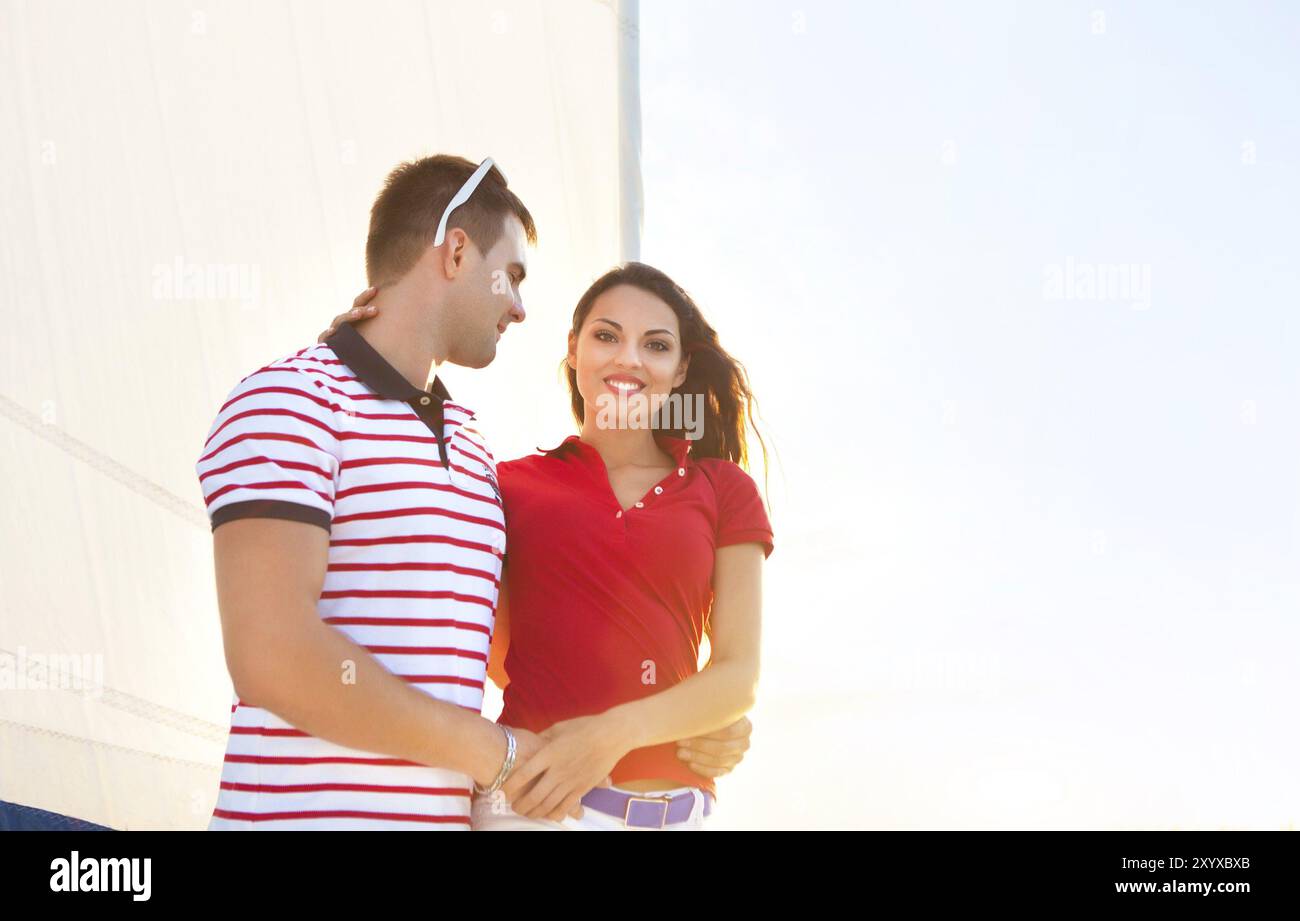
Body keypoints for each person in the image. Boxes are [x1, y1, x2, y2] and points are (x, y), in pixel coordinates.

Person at [199, 153, 749, 830]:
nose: (519, 308)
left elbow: (525, 649)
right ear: (458, 251)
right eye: (511, 277)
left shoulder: (469, 450)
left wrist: (693, 725)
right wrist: (499, 751)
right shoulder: (291, 399)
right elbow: (271, 655)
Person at [320, 262, 772, 830]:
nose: (628, 358)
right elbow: (497, 653)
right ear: (574, 350)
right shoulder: (503, 484)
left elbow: (738, 675)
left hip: (681, 817)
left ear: (680, 369)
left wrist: (624, 731)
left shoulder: (723, 489)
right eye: (607, 336)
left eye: (655, 345)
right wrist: (357, 353)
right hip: (533, 811)